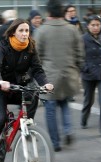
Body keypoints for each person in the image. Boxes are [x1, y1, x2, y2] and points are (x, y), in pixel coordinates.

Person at [0, 18, 54, 162]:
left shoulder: (30, 46)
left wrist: (45, 83)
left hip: (19, 85)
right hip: (2, 86)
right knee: (1, 118)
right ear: (14, 32)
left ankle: (27, 126)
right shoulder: (4, 46)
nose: (24, 34)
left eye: (27, 31)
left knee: (33, 94)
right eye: (21, 30)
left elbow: (37, 69)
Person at [34, 0, 84, 151]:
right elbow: (80, 54)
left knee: (50, 109)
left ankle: (55, 143)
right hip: (69, 75)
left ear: (48, 13)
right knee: (65, 104)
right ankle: (68, 130)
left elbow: (36, 56)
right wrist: (77, 69)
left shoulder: (41, 31)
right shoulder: (72, 29)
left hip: (49, 77)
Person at [80, 15, 101, 139]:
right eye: (93, 25)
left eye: (98, 25)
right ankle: (84, 119)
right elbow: (78, 56)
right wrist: (85, 68)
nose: (95, 27)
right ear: (88, 26)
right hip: (88, 74)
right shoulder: (82, 39)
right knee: (89, 100)